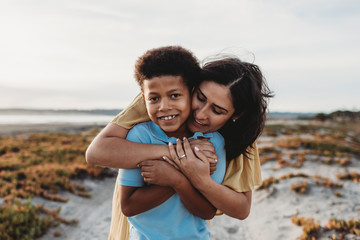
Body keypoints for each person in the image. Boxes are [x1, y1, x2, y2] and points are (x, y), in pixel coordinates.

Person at [86, 49, 272, 239]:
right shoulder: (158, 100)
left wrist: (192, 178)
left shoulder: (229, 137)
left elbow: (239, 209)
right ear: (192, 87)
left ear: (236, 115)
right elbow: (96, 153)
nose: (200, 114)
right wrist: (181, 155)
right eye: (200, 98)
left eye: (217, 110)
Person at [115, 46, 227, 239]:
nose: (164, 107)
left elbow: (207, 211)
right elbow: (128, 206)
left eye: (174, 95)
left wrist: (177, 181)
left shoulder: (211, 141)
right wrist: (182, 168)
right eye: (154, 98)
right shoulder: (139, 136)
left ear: (192, 93)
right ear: (144, 99)